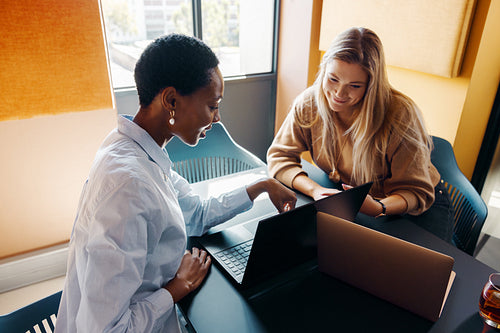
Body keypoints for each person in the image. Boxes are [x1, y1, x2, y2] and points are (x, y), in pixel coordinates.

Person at [55, 34, 296, 333]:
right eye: (212, 105)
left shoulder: (139, 149)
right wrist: (176, 288)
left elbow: (195, 214)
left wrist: (261, 185)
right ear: (171, 100)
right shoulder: (128, 186)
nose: (218, 117)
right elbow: (106, 330)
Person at [267, 27, 453, 242]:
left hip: (414, 208)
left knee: (418, 272)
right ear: (324, 70)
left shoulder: (400, 115)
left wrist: (379, 208)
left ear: (371, 86)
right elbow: (279, 157)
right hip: (360, 201)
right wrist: (315, 191)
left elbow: (415, 192)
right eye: (333, 79)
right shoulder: (309, 103)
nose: (338, 94)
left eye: (354, 86)